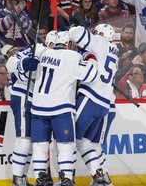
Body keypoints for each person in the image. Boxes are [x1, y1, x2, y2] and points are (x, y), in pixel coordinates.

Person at [29, 30, 97, 186]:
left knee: (40, 145)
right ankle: (66, 178)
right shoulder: (72, 56)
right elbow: (91, 75)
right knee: (65, 145)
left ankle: (40, 178)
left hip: (38, 107)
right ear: (69, 44)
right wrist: (90, 58)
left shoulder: (42, 52)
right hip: (61, 108)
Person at [68, 24, 118, 185]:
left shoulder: (100, 43)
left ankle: (73, 178)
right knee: (87, 142)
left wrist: (77, 25)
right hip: (104, 104)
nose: (94, 34)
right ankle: (103, 179)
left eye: (96, 33)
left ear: (102, 34)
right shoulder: (114, 52)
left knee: (71, 138)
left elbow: (75, 33)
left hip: (91, 97)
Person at [6, 46, 39, 186]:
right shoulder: (34, 49)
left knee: (30, 142)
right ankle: (17, 179)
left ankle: (22, 178)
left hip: (33, 99)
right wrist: (23, 63)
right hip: (22, 97)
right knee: (24, 139)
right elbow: (10, 63)